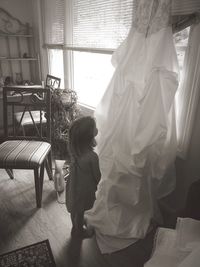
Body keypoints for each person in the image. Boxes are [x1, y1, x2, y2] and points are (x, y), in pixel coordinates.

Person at [66, 116, 101, 238]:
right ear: (89, 137)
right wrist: (98, 184)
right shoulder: (92, 156)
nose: (97, 129)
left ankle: (74, 227)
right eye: (94, 128)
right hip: (84, 189)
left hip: (73, 186)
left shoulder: (75, 151)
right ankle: (79, 231)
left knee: (74, 209)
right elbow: (97, 176)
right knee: (80, 212)